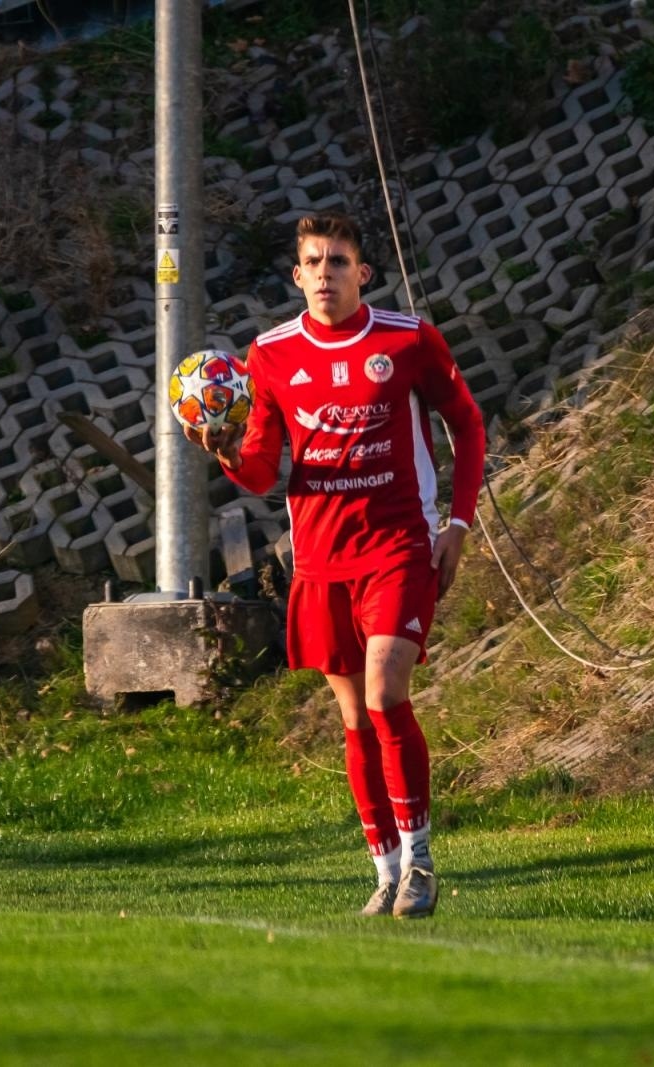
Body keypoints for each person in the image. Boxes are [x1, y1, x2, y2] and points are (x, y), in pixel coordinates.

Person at [186, 212, 484, 919]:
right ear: (297, 275)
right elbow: (262, 469)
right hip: (321, 562)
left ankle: (421, 861)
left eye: (339, 261)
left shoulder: (407, 340)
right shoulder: (270, 355)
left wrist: (459, 524)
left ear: (362, 273)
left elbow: (465, 423)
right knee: (354, 718)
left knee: (385, 692)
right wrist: (224, 447)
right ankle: (383, 872)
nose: (325, 273)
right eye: (314, 262)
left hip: (398, 547)